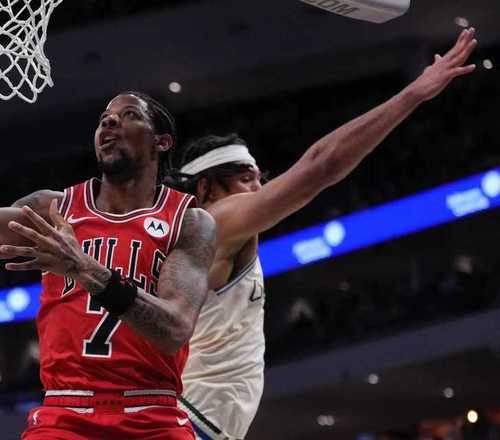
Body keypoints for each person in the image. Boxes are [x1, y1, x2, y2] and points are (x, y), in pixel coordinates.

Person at [164, 27, 479, 440]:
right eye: (245, 178)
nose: (259, 189)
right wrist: (412, 95)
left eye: (260, 178)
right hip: (192, 421)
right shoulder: (217, 221)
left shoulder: (191, 239)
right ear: (206, 187)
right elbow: (320, 166)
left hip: (189, 418)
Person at [0, 86, 217, 439]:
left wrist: (84, 268)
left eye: (129, 115)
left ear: (161, 142)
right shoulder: (54, 210)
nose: (110, 122)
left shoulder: (188, 222)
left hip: (153, 415)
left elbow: (173, 330)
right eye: (104, 119)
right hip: (65, 415)